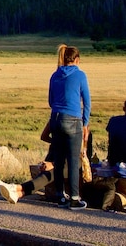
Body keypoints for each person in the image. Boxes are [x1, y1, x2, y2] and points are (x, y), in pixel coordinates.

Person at [48, 44, 91, 209]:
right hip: (72, 119)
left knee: (58, 159)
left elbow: (51, 101)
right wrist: (85, 123)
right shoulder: (80, 75)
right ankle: (74, 197)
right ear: (77, 60)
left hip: (56, 118)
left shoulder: (54, 75)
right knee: (73, 159)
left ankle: (60, 195)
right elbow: (86, 102)